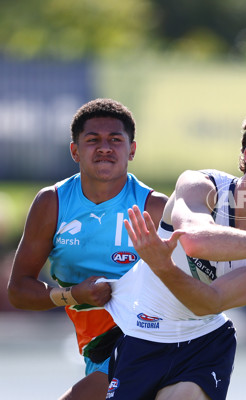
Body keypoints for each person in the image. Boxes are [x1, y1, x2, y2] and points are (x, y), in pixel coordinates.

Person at [102, 97, 246, 400]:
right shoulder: (200, 184)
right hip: (140, 332)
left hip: (204, 341)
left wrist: (163, 267)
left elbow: (209, 303)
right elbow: (196, 240)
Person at [7, 98, 168, 400]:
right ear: (75, 151)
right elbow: (18, 291)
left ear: (132, 150)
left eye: (115, 140)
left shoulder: (155, 208)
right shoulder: (51, 203)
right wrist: (72, 295)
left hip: (150, 339)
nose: (105, 148)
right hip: (96, 348)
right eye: (93, 140)